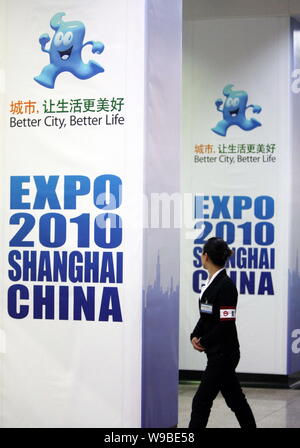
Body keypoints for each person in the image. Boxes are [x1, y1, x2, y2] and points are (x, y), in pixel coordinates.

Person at [189, 237, 256, 429]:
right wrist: (194, 334)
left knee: (201, 401)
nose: (201, 256)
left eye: (202, 253)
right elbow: (206, 316)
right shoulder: (210, 284)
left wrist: (203, 341)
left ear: (206, 256)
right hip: (216, 351)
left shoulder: (226, 286)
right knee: (235, 400)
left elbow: (225, 324)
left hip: (224, 354)